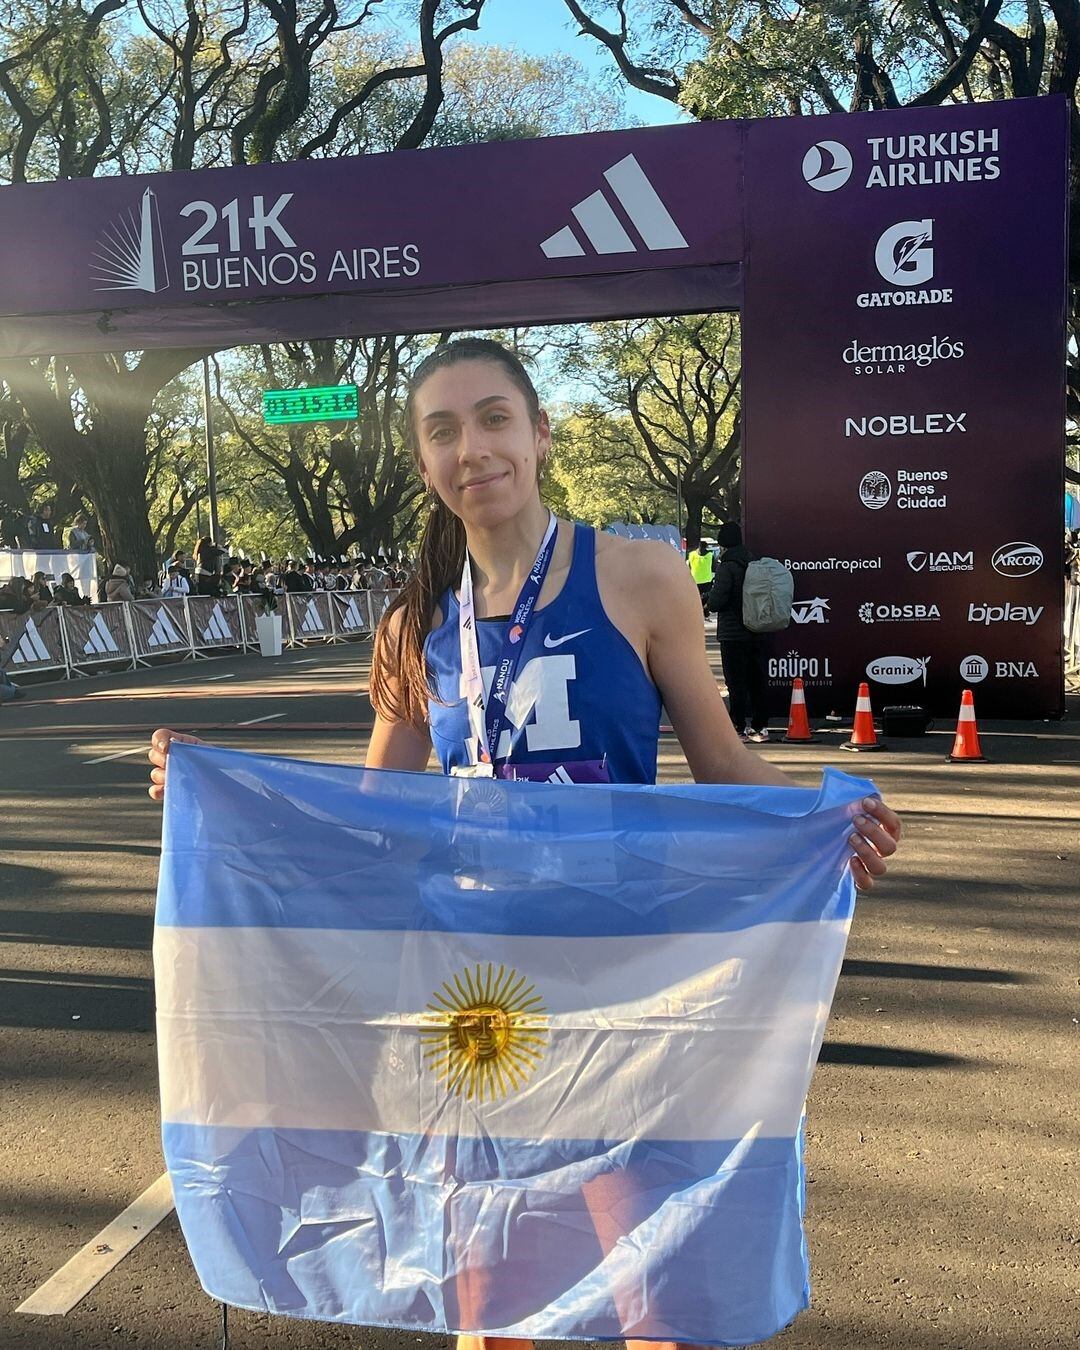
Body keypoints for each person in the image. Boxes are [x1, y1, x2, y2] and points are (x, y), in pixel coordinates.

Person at [146, 339, 901, 1348]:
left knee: (651, 1291)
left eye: (495, 418)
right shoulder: (413, 625)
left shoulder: (639, 576)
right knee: (495, 1301)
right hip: (475, 1006)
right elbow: (371, 816)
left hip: (622, 985)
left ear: (541, 434)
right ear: (424, 462)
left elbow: (722, 764)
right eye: (444, 430)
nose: (474, 449)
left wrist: (824, 819)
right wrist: (216, 788)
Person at [708, 521, 770, 743]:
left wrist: (706, 601)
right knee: (757, 679)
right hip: (757, 630)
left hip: (733, 633)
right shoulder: (753, 562)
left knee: (736, 682)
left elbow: (717, 601)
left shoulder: (728, 566)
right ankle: (761, 726)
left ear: (723, 542)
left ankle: (738, 726)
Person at [687, 538, 715, 614]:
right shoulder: (710, 555)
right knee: (706, 597)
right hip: (707, 580)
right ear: (706, 547)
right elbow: (714, 568)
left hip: (695, 580)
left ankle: (696, 611)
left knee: (696, 598)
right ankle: (705, 610)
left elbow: (688, 566)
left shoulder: (691, 554)